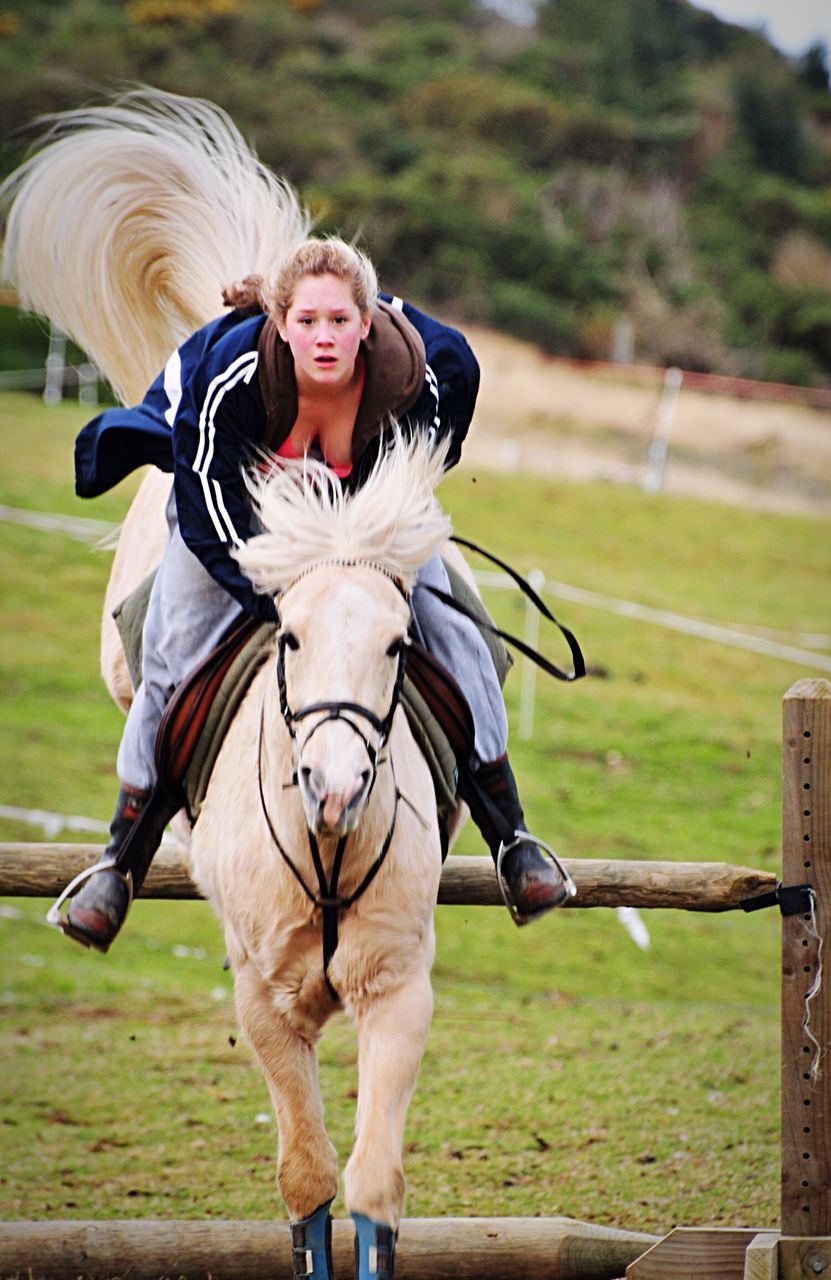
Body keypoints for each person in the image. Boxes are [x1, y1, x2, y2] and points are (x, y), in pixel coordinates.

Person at [61, 237, 571, 952]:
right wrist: (277, 597)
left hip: (362, 515)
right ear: (278, 323)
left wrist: (378, 570)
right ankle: (120, 862)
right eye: (307, 323)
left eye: (339, 322)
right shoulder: (230, 374)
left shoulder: (409, 378)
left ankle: (512, 840)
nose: (323, 339)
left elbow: (416, 476)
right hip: (237, 519)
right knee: (170, 650)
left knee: (462, 635)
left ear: (368, 323)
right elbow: (206, 508)